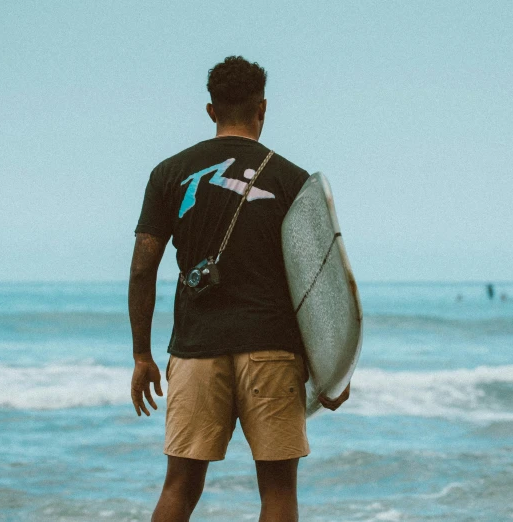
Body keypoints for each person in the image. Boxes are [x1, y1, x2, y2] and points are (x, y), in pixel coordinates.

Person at [128, 56, 350, 522]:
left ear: (211, 110)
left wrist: (142, 356)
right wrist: (332, 368)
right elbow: (315, 280)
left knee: (180, 486)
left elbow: (141, 270)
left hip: (195, 352)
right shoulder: (292, 180)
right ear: (262, 108)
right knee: (277, 492)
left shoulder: (168, 174)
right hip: (271, 351)